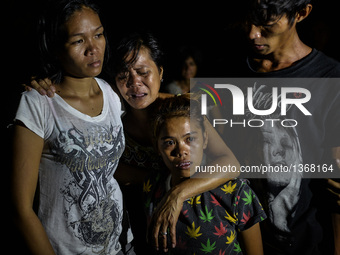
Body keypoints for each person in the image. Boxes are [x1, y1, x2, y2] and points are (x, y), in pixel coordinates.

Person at [25, 32, 241, 252]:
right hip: (135, 225)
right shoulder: (109, 119)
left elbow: (231, 163)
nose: (134, 83)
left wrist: (177, 194)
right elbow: (98, 164)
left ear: (161, 72)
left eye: (143, 72)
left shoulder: (183, 110)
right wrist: (46, 85)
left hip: (200, 217)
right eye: (123, 75)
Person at [11, 1, 134, 254]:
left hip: (121, 246)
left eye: (98, 35)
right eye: (78, 41)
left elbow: (106, 165)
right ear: (55, 48)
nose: (93, 48)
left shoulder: (112, 94)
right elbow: (20, 209)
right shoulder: (39, 104)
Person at [222, 0, 340, 254]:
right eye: (249, 20)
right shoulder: (233, 69)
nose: (253, 33)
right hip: (239, 241)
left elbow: (336, 186)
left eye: (266, 24)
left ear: (301, 13)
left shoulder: (329, 78)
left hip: (308, 245)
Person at [144, 94, 267, 255]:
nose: (181, 151)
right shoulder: (152, 187)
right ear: (158, 148)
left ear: (205, 139)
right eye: (169, 142)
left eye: (190, 139)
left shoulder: (236, 193)